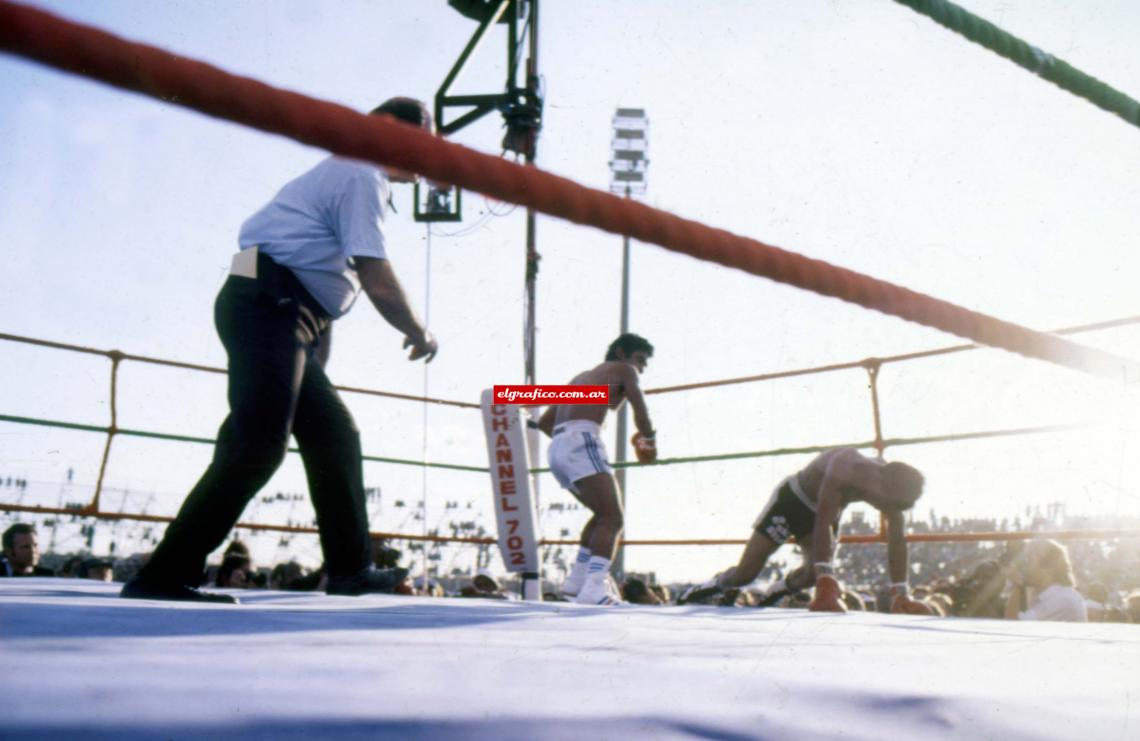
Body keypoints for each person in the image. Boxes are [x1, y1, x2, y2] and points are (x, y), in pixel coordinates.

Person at [122, 97, 438, 604]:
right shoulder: (363, 173)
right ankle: (164, 573)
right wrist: (420, 331)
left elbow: (270, 253)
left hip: (276, 303)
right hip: (273, 303)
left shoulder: (349, 170)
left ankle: (351, 570)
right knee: (259, 445)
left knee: (334, 433)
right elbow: (376, 278)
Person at [679, 447, 929, 614]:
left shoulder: (892, 491)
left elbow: (897, 538)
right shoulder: (846, 465)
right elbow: (823, 518)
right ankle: (709, 588)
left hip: (823, 512)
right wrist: (826, 580)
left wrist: (901, 592)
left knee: (810, 574)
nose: (887, 510)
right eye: (887, 504)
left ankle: (777, 591)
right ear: (882, 485)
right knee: (746, 575)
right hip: (791, 502)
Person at [536, 333, 657, 606]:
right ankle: (593, 588)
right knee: (613, 518)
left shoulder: (581, 378)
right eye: (640, 360)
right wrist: (650, 440)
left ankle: (576, 582)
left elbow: (545, 422)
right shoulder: (624, 370)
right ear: (622, 354)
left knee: (601, 514)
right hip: (581, 441)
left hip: (558, 447)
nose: (642, 368)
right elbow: (641, 410)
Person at [1003, 539, 1088, 622]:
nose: (1023, 568)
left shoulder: (1061, 599)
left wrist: (1017, 584)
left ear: (1047, 567)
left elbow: (1013, 625)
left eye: (1028, 560)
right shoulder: (1053, 595)